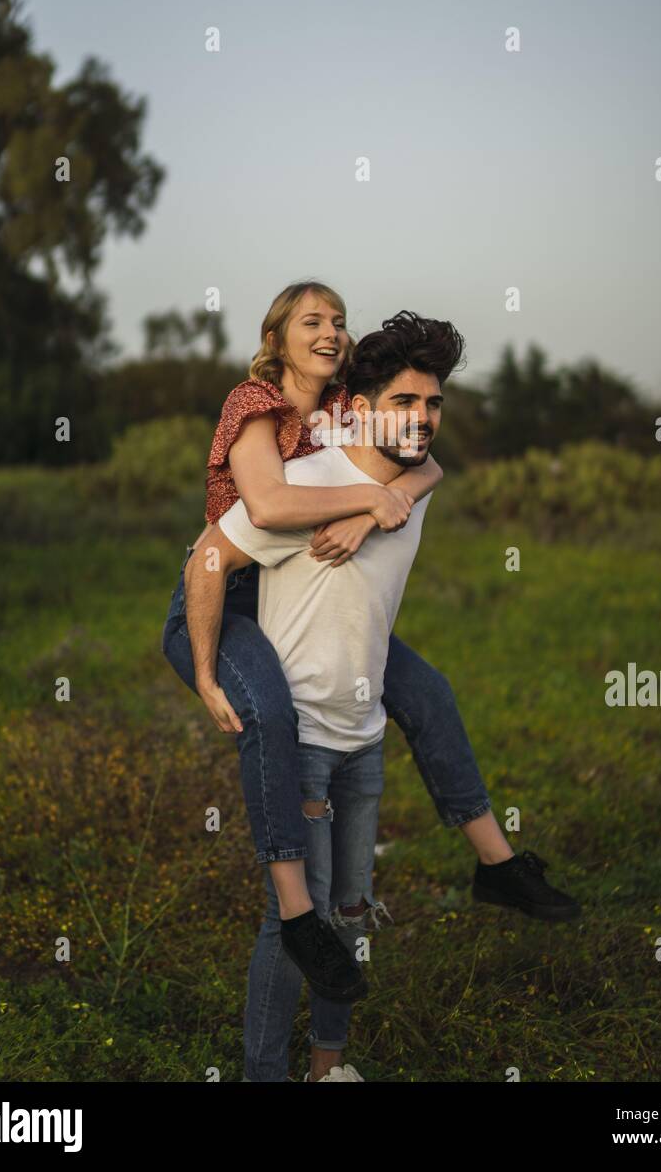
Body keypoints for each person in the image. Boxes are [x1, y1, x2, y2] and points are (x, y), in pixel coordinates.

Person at [161, 284, 580, 1003]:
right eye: (311, 321)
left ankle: (497, 865)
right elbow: (266, 505)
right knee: (272, 710)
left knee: (426, 691)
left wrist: (374, 511)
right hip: (221, 597)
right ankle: (298, 915)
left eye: (338, 321)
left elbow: (426, 464)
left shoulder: (341, 410)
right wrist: (204, 671)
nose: (330, 332)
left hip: (282, 585)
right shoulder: (254, 404)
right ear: (277, 337)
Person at [207, 318, 451, 1080]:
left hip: (364, 739)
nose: (421, 415)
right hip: (303, 739)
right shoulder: (301, 483)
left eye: (434, 402)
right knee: (294, 923)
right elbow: (212, 555)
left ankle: (327, 1066)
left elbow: (424, 470)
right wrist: (211, 672)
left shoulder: (410, 487)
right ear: (361, 404)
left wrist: (385, 498)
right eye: (404, 399)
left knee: (349, 912)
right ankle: (262, 1074)